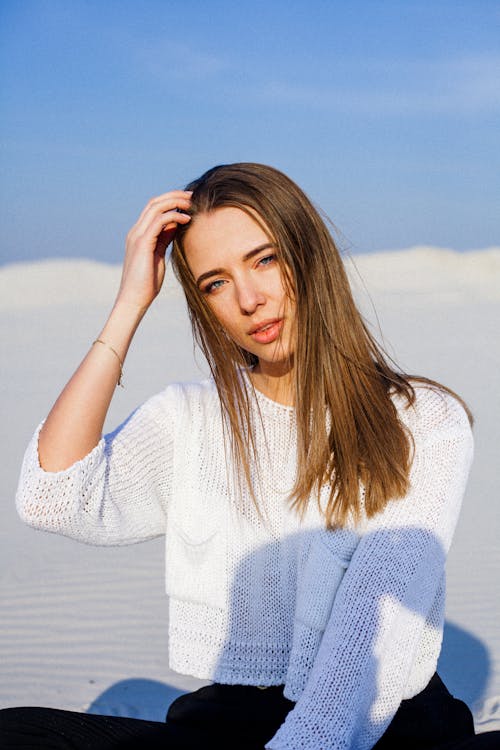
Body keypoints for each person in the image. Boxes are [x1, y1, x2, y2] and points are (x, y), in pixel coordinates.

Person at [1, 163, 498, 750]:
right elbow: (52, 497)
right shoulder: (190, 417)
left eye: (265, 260)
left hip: (386, 725)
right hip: (233, 724)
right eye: (214, 283)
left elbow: (372, 634)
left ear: (308, 254)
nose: (249, 299)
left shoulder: (421, 419)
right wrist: (131, 301)